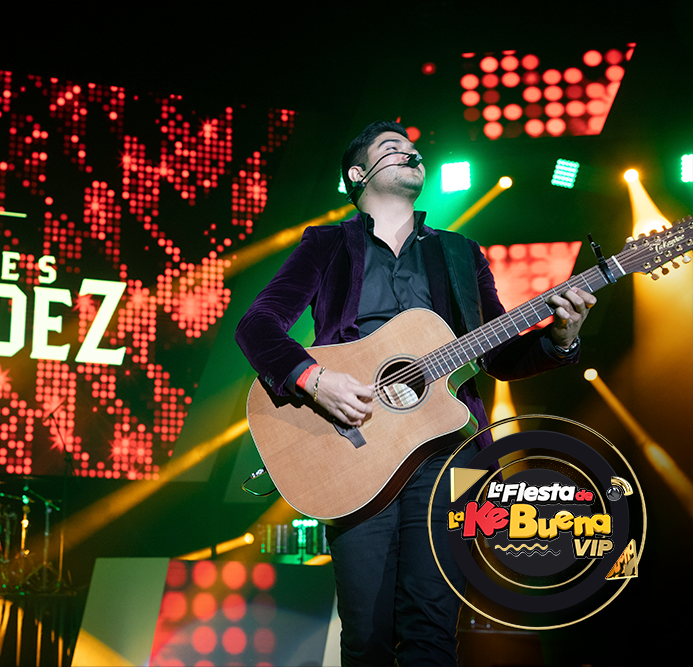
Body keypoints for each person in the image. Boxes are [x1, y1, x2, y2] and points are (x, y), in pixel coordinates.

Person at [235, 120, 595, 666]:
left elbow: (498, 355)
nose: (411, 153)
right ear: (358, 174)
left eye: (413, 148)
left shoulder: (460, 253)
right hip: (354, 446)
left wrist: (561, 339)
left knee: (433, 630)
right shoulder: (327, 244)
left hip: (449, 448)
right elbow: (256, 325)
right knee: (366, 637)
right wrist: (315, 379)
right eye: (392, 148)